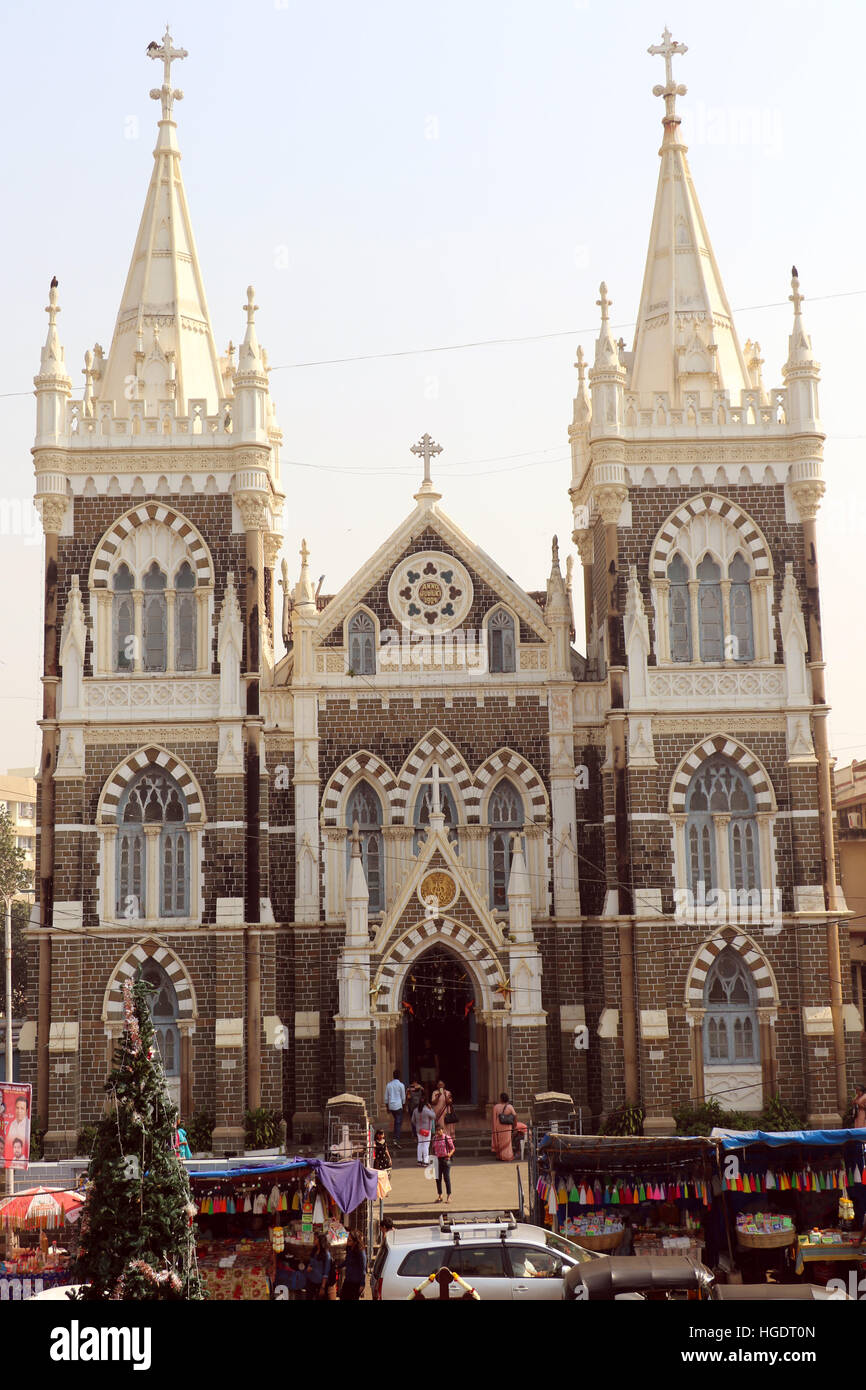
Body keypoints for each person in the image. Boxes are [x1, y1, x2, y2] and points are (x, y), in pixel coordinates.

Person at [304, 1233, 333, 1300]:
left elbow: (326, 1273)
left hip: (319, 1282)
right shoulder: (314, 1250)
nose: (314, 1240)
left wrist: (322, 1287)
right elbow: (311, 1262)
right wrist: (309, 1267)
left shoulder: (326, 1255)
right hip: (311, 1280)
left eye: (315, 1239)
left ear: (320, 1241)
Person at [431, 1124, 455, 1204]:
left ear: (442, 1130)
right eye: (437, 1130)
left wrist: (449, 1154)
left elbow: (452, 1148)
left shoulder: (446, 1138)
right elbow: (433, 1149)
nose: (438, 1132)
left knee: (446, 1178)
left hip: (446, 1159)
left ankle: (449, 1196)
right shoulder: (434, 1138)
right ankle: (440, 1195)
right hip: (437, 1160)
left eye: (439, 1130)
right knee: (438, 1179)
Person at [340, 1230, 367, 1300]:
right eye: (348, 1239)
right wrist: (338, 1266)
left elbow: (363, 1269)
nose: (347, 1242)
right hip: (348, 1280)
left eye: (350, 1240)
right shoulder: (349, 1249)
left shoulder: (360, 1252)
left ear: (355, 1242)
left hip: (355, 1282)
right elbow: (347, 1261)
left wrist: (362, 1284)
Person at [491, 1092, 518, 1161]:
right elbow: (515, 1116)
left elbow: (494, 1118)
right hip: (507, 1126)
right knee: (507, 1142)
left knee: (499, 1141)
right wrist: (515, 1125)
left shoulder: (496, 1107)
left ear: (501, 1099)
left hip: (498, 1126)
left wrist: (494, 1127)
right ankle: (507, 1156)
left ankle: (499, 1156)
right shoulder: (510, 1107)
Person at [384, 1069, 406, 1146]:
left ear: (393, 1076)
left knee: (397, 1120)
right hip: (398, 1105)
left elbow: (386, 1097)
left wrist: (387, 1107)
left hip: (391, 1106)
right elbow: (403, 1097)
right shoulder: (401, 1085)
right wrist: (404, 1106)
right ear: (399, 1076)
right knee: (398, 1121)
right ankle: (396, 1138)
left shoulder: (389, 1085)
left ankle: (396, 1135)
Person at [415, 1094, 436, 1166]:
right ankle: (425, 1161)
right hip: (426, 1129)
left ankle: (419, 1160)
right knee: (426, 1145)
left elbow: (412, 1120)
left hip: (418, 1130)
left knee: (420, 1144)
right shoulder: (427, 1110)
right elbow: (434, 1116)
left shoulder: (415, 1110)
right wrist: (431, 1109)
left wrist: (417, 1125)